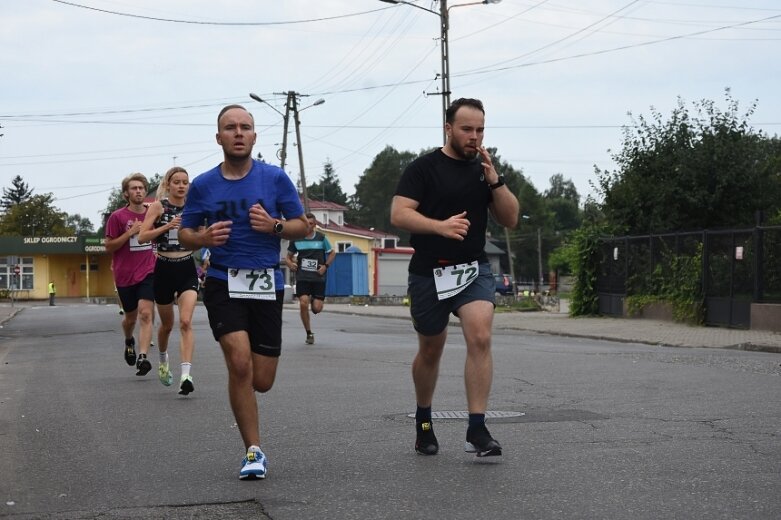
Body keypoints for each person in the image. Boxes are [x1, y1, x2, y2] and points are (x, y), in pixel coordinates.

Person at [179, 104, 309, 480]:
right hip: (223, 280)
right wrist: (203, 238)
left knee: (261, 380)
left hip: (266, 281)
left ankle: (245, 392)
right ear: (218, 137)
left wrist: (276, 227)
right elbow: (186, 232)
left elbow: (304, 226)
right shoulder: (204, 184)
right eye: (230, 128)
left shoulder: (274, 179)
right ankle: (253, 451)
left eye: (246, 127)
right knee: (239, 363)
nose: (238, 133)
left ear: (254, 136)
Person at [390, 98, 519, 458]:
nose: (474, 137)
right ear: (448, 129)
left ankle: (477, 428)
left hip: (472, 269)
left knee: (480, 334)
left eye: (480, 130)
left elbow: (510, 219)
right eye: (467, 129)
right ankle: (424, 422)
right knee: (431, 349)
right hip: (429, 271)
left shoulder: (484, 171)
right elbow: (399, 214)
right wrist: (439, 227)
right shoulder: (423, 169)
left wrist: (496, 181)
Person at [138, 166, 199, 395]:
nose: (182, 186)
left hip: (186, 267)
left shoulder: (194, 207)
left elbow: (200, 237)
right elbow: (143, 235)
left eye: (185, 182)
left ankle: (186, 375)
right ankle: (163, 361)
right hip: (164, 268)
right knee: (167, 325)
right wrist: (167, 226)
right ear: (169, 184)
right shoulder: (158, 206)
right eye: (177, 182)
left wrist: (200, 235)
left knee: (185, 321)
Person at [104, 173, 157, 376]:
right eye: (134, 188)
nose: (139, 191)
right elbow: (109, 246)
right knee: (130, 318)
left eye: (142, 188)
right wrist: (129, 232)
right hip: (125, 274)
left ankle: (143, 357)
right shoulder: (117, 217)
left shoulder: (153, 213)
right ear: (126, 193)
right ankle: (129, 340)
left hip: (148, 270)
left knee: (146, 313)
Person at [285, 213, 336, 345]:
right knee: (303, 302)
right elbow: (288, 257)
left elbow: (332, 253)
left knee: (317, 309)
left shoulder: (321, 238)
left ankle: (314, 300)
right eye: (306, 223)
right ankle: (309, 333)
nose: (308, 226)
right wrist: (290, 264)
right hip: (302, 276)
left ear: (314, 225)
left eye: (311, 223)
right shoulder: (296, 239)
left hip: (318, 277)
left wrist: (325, 266)